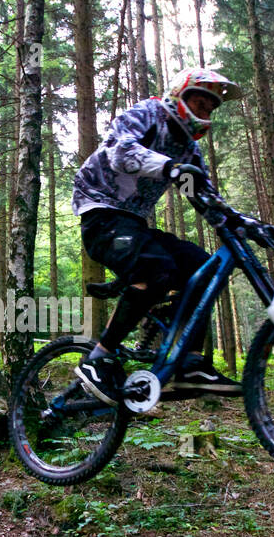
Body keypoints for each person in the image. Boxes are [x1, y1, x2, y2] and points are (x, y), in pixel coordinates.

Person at [71, 67, 244, 404]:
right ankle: (98, 358)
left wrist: (240, 222)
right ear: (179, 95)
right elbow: (119, 152)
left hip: (134, 223)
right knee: (155, 267)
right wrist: (169, 168)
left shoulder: (188, 151)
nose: (205, 112)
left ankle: (191, 365)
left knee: (203, 268)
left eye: (210, 109)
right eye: (199, 102)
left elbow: (203, 197)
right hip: (100, 213)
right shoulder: (147, 113)